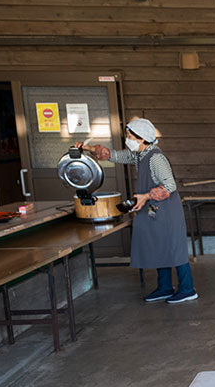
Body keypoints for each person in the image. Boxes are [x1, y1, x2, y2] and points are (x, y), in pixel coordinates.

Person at [78, 119, 196, 304]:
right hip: (155, 209)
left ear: (141, 139)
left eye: (130, 136)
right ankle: (165, 287)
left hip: (167, 211)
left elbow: (170, 186)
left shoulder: (156, 158)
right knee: (159, 246)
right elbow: (115, 155)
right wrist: (90, 149)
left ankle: (188, 289)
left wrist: (146, 196)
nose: (127, 139)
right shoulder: (140, 155)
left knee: (174, 248)